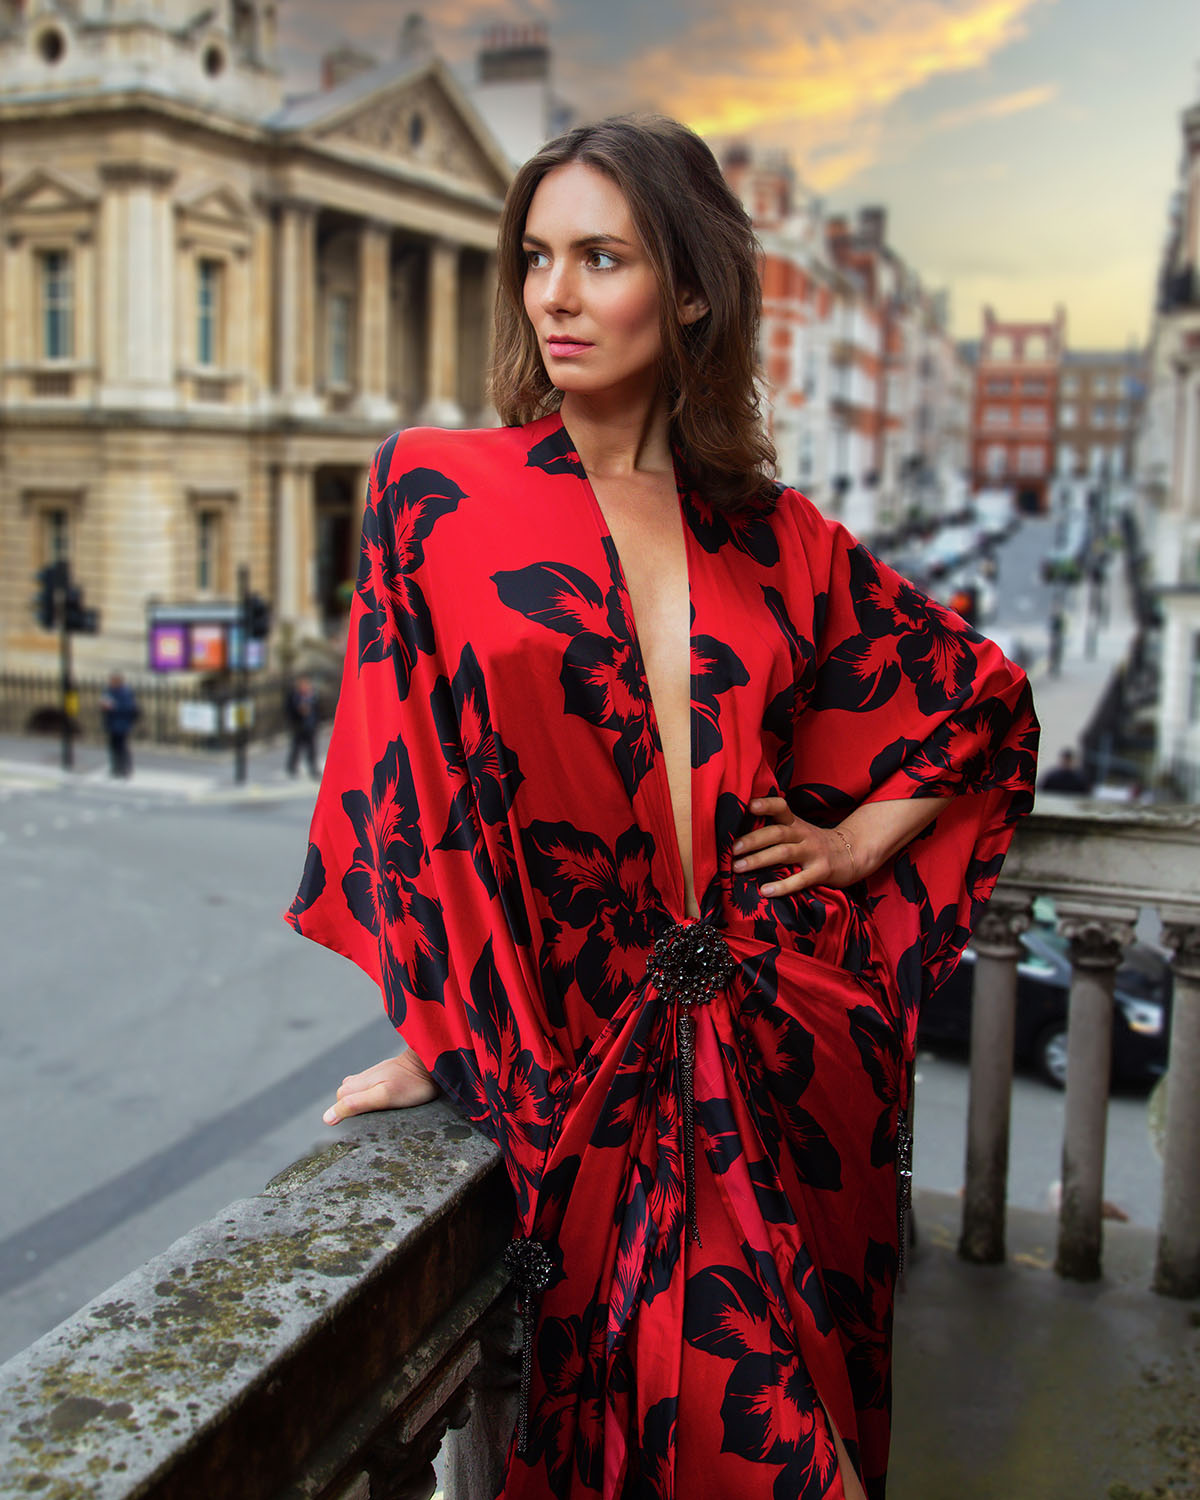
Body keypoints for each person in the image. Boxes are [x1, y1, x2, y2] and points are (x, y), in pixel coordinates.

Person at [288, 116, 1038, 1500]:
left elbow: (976, 696)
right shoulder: (436, 493)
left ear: (688, 287)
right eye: (536, 258)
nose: (554, 296)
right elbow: (407, 794)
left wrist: (861, 834)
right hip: (595, 1073)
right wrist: (444, 1029)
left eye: (600, 258)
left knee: (804, 1443)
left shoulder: (774, 535)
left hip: (787, 1061)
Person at [99, 672, 138, 777]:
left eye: (113, 681)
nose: (111, 683)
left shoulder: (125, 692)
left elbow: (129, 708)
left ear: (119, 682)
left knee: (122, 747)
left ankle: (125, 768)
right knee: (113, 746)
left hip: (122, 724)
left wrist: (113, 706)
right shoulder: (108, 691)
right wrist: (104, 706)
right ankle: (115, 768)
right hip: (112, 723)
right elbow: (104, 703)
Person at [283, 675, 320, 778]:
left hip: (310, 726)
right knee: (296, 748)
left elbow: (318, 709)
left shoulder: (312, 696)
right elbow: (288, 710)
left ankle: (313, 768)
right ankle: (292, 767)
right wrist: (298, 712)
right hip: (298, 726)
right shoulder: (293, 697)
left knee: (311, 749)